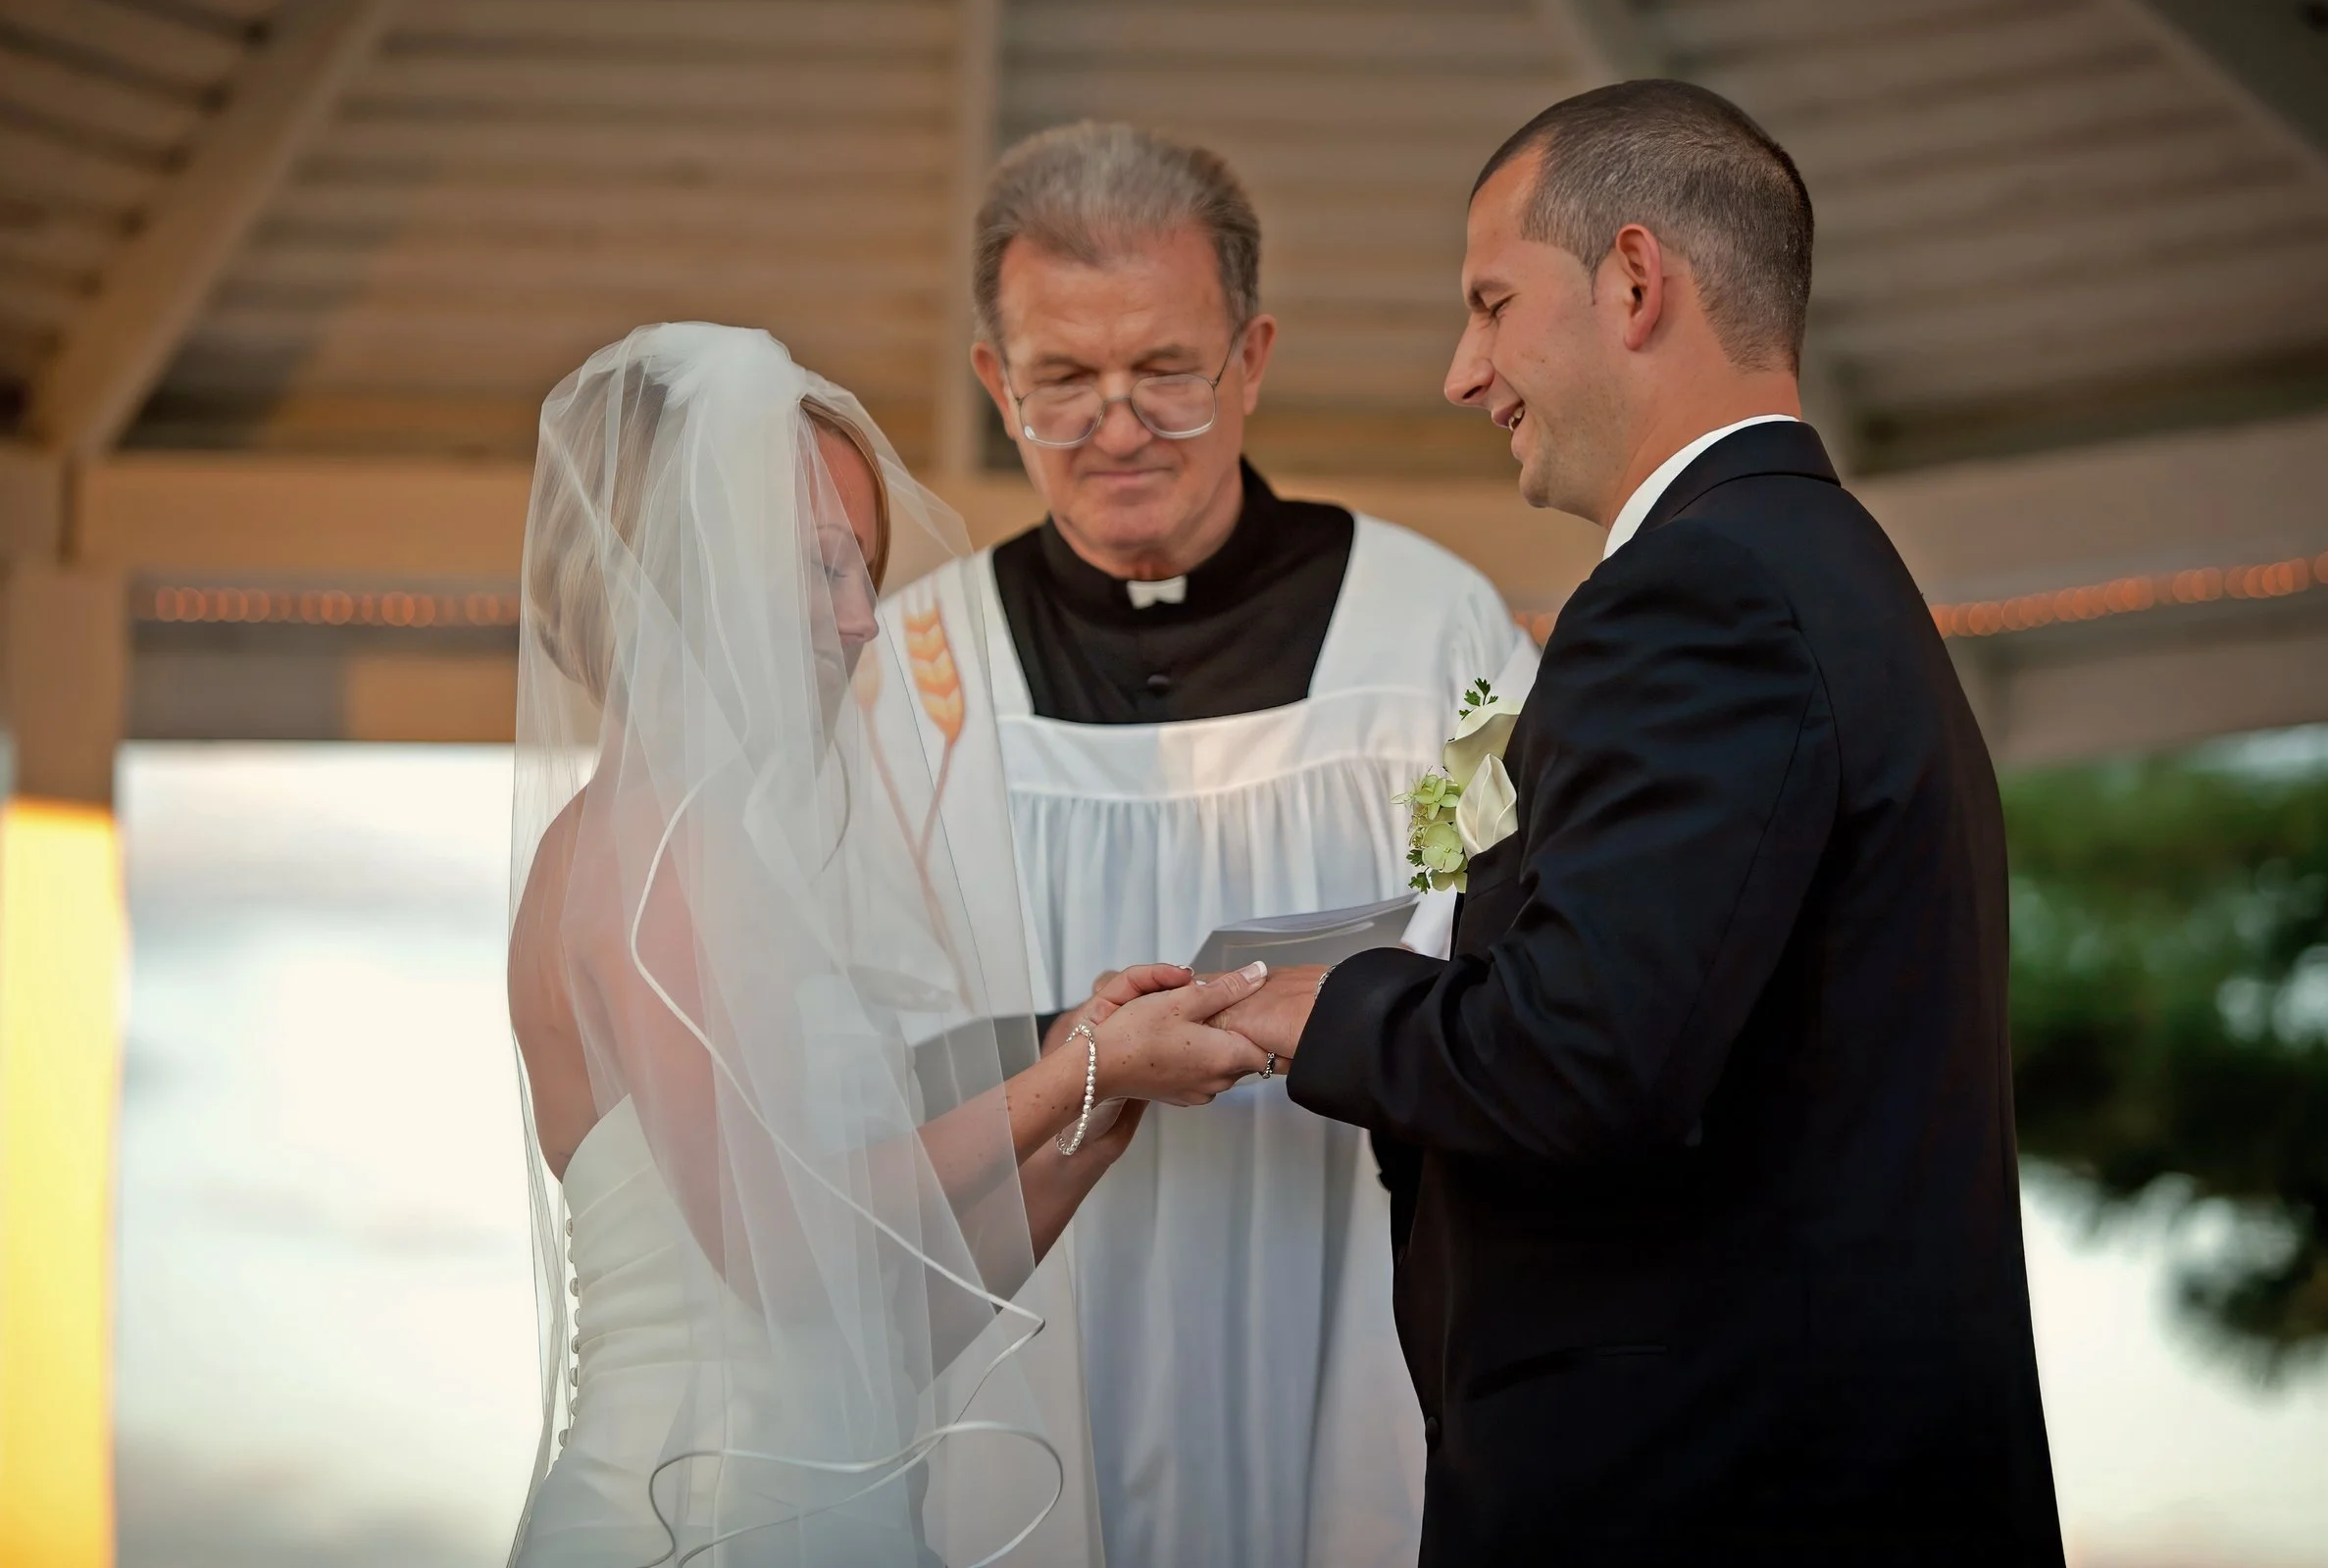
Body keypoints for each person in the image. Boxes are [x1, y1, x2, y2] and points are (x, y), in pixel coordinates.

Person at [1221, 81, 2065, 1565]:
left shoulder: (1701, 593)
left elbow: (1585, 1053)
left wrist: (1327, 1009)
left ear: (1631, 279)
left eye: (1490, 304)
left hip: (1714, 1493)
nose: (1459, 372)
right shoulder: (1816, 574)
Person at [500, 322, 1268, 1566]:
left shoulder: (694, 845)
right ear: (684, 563)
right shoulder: (652, 844)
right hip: (695, 1526)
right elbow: (775, 1252)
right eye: (820, 569)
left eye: (863, 569)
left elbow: (871, 1327)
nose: (863, 620)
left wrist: (1092, 1113)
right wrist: (1065, 1074)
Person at [886, 123, 1534, 1568]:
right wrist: (1085, 1051)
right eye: (1064, 378)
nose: (1118, 426)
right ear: (998, 384)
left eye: (1165, 371)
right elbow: (854, 1038)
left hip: (1342, 1279)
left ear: (1249, 357)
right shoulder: (908, 672)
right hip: (1024, 1312)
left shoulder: (1439, 638)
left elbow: (1496, 925)